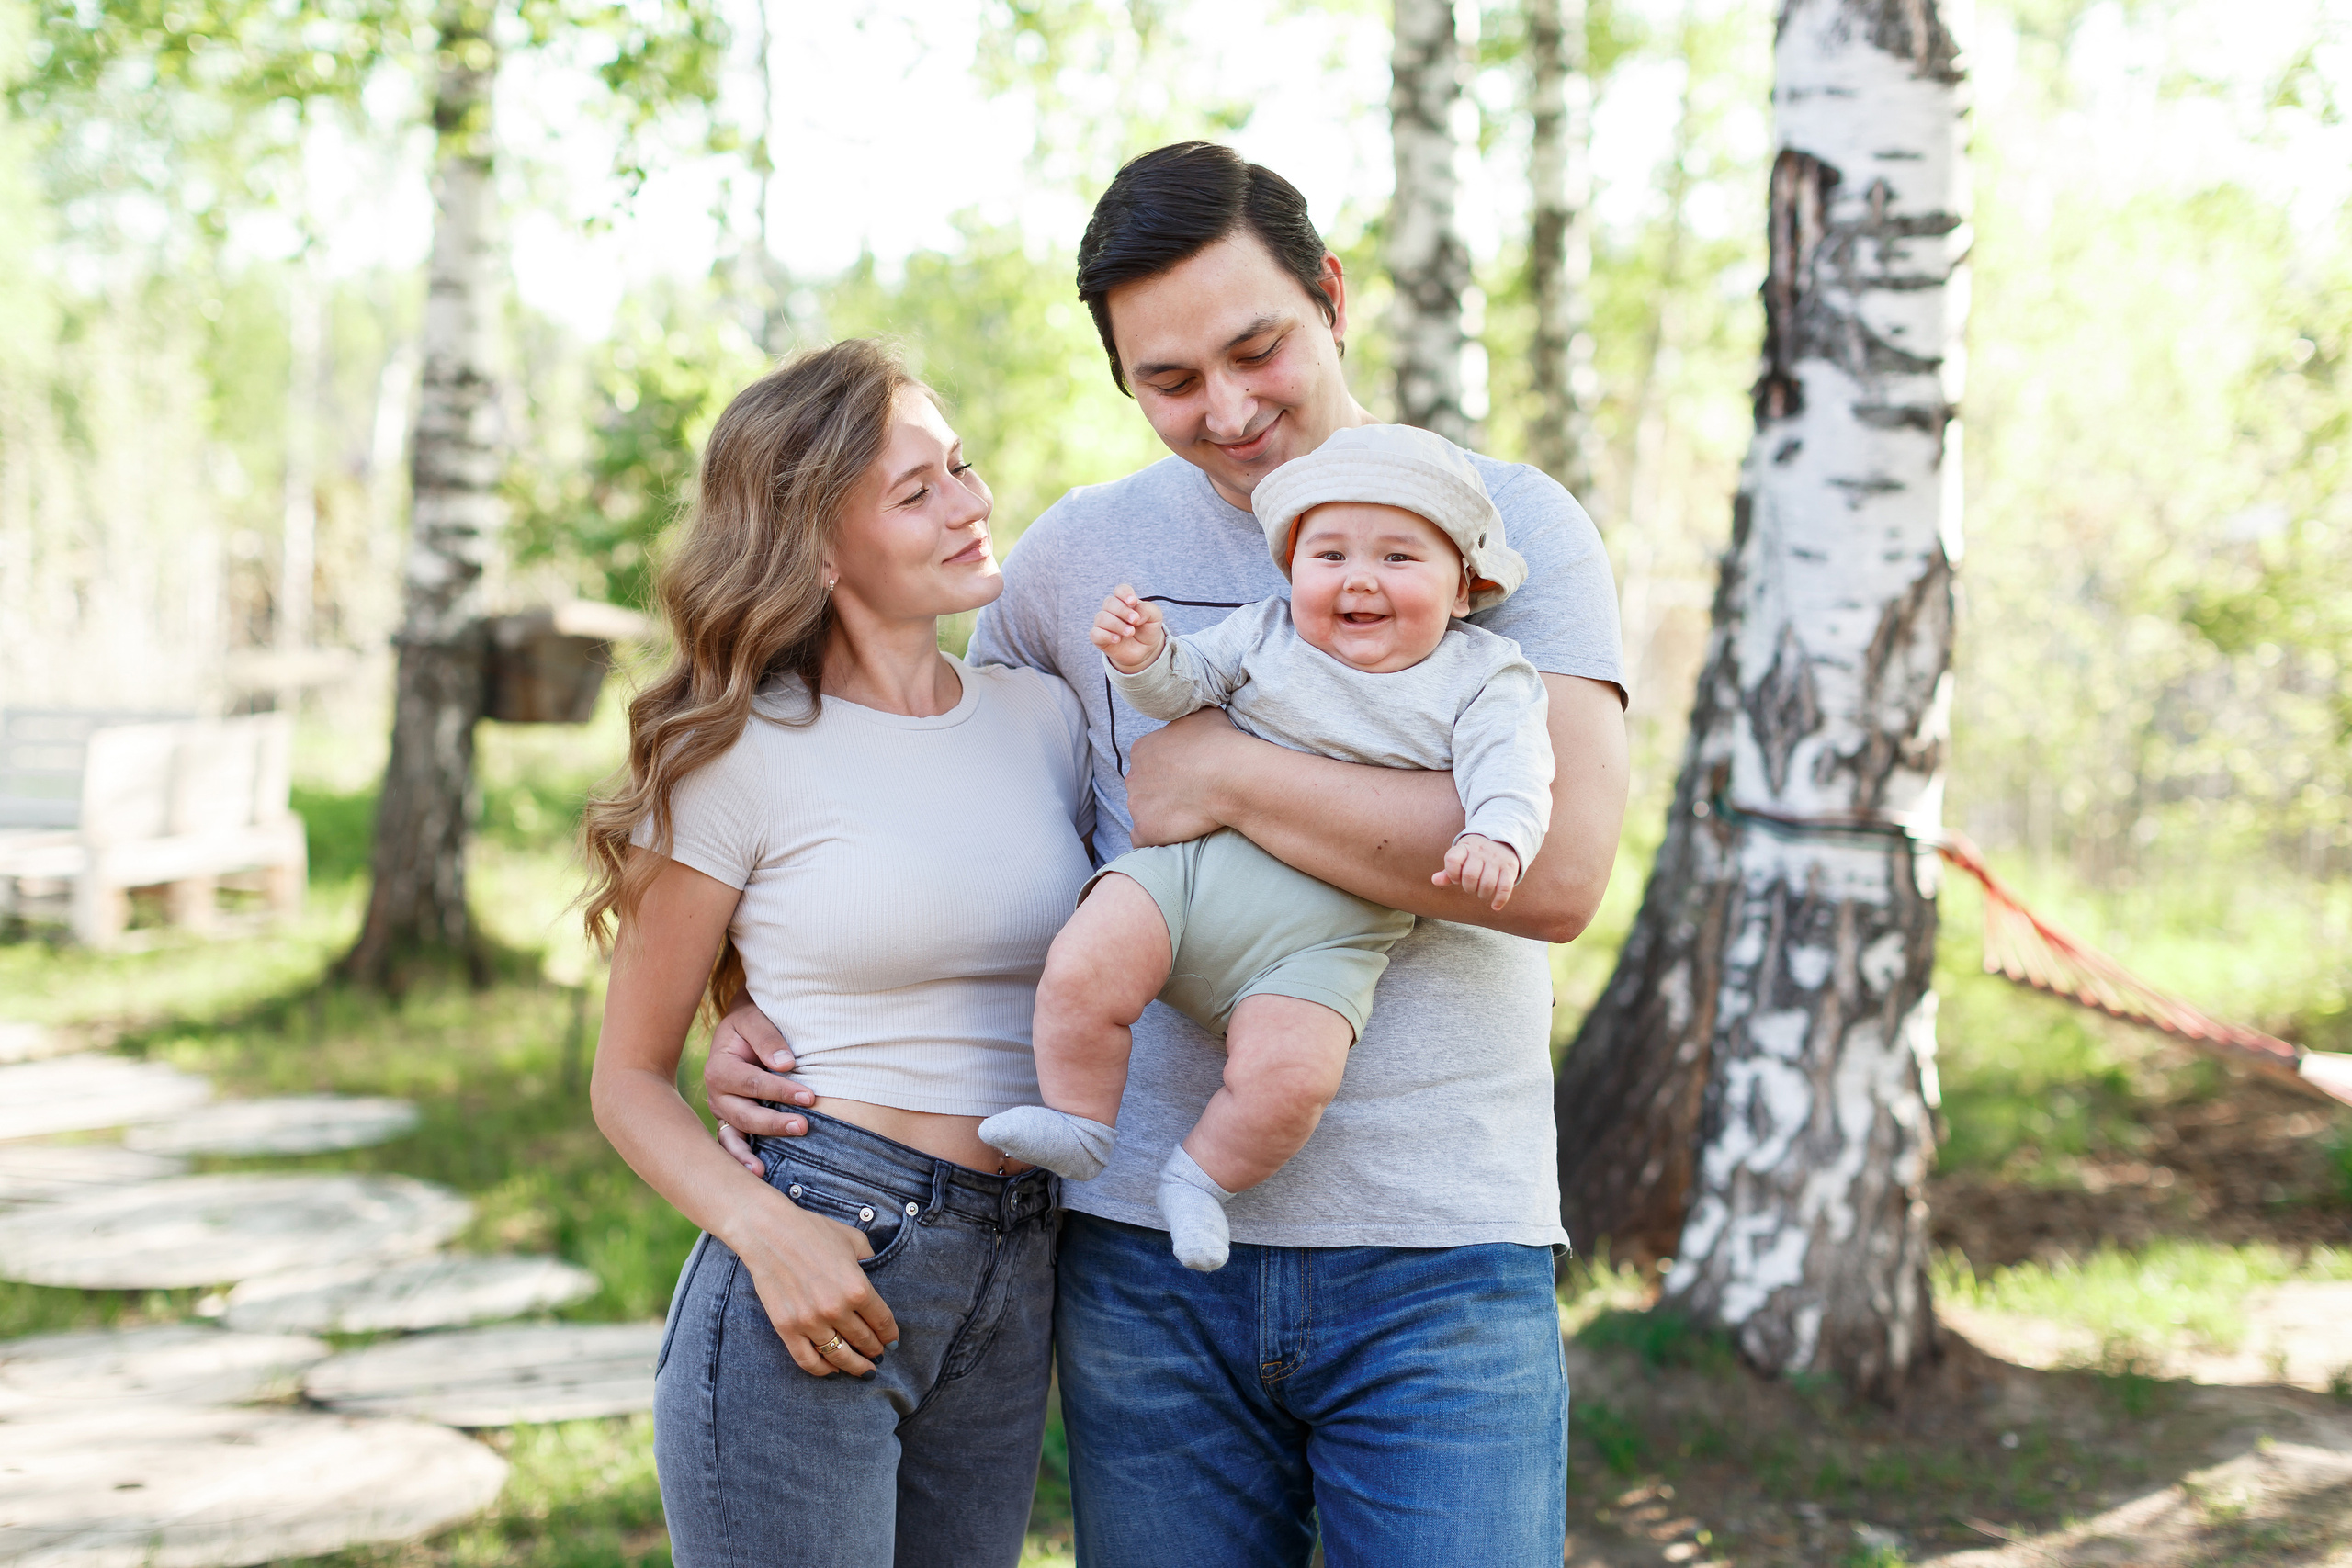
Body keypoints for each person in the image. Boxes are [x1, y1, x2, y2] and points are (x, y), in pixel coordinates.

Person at [707, 142, 1629, 1566]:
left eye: (1256, 348)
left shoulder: (1500, 532)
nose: (1231, 409)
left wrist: (1226, 774)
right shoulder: (1077, 560)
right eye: (1171, 381)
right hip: (1134, 1259)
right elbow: (931, 810)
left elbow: (1558, 875)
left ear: (1331, 296)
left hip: (1439, 1258)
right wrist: (750, 1005)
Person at [582, 339, 1093, 1568]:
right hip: (818, 1252)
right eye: (916, 492)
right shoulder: (739, 749)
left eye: (960, 466)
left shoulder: (1043, 715)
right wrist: (765, 1229)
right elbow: (627, 1078)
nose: (970, 504)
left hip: (1017, 1267)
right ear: (816, 543)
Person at [979, 423, 1555, 1273]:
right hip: (1188, 878)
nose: (1359, 577)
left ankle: (1200, 1178)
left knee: (1292, 1080)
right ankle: (1079, 1118)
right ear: (1292, 570)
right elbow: (1186, 686)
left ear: (1464, 589)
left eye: (1400, 558)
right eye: (1329, 556)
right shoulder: (1265, 631)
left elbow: (1514, 765)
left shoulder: (1482, 673)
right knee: (1083, 961)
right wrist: (1145, 657)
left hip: (1326, 943)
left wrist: (1498, 834)